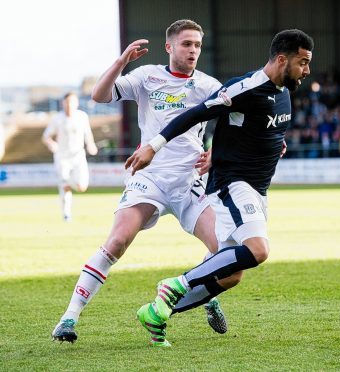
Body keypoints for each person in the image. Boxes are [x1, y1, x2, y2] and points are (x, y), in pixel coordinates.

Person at [51, 19, 238, 346]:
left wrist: (216, 153)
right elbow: (99, 95)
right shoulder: (147, 76)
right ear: (170, 47)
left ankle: (204, 296)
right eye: (186, 44)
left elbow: (236, 122)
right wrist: (122, 62)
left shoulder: (209, 85)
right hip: (148, 176)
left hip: (190, 180)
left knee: (225, 252)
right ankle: (69, 317)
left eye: (197, 45)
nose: (193, 50)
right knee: (117, 242)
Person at [126, 29, 314, 346]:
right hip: (233, 184)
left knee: (231, 273)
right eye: (303, 62)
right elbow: (199, 113)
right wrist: (153, 146)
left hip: (257, 189)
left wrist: (273, 143)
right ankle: (175, 285)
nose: (307, 70)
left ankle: (157, 312)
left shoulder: (283, 92)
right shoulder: (247, 87)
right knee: (258, 250)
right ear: (282, 59)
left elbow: (250, 128)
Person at [42, 92, 98, 221]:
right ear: (63, 103)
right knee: (64, 186)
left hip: (78, 155)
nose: (69, 105)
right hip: (62, 157)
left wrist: (91, 145)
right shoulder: (57, 118)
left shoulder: (82, 116)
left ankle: (66, 183)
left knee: (82, 186)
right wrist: (52, 144)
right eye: (67, 102)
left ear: (76, 103)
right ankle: (66, 214)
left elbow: (88, 134)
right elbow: (46, 137)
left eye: (72, 102)